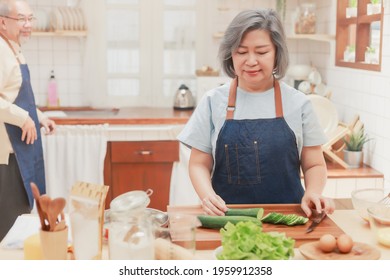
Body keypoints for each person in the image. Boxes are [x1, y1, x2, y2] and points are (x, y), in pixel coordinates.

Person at [177, 9, 335, 218]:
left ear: (277, 53)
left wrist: (313, 192)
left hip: (288, 217)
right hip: (227, 219)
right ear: (230, 54)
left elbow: (314, 163)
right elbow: (198, 163)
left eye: (261, 52)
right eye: (241, 52)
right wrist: (207, 196)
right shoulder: (212, 102)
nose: (251, 61)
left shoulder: (299, 103)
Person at [0, 0, 56, 240]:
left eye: (30, 19)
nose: (28, 25)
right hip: (8, 156)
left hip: (21, 151)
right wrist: (24, 118)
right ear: (3, 22)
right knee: (10, 226)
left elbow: (15, 95)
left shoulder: (14, 47)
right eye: (21, 19)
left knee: (22, 218)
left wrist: (39, 117)